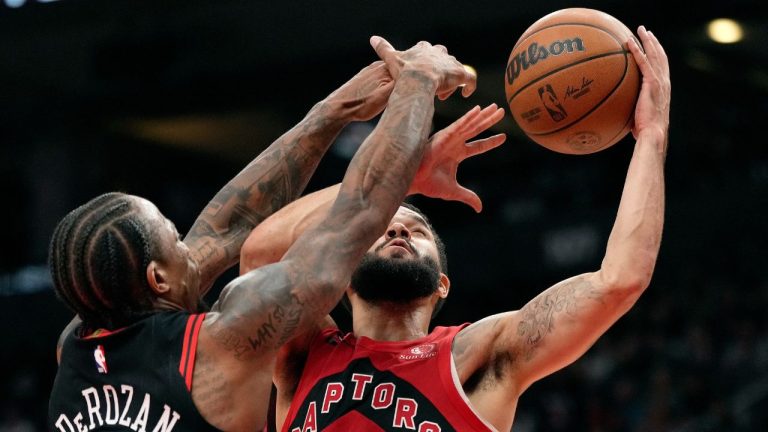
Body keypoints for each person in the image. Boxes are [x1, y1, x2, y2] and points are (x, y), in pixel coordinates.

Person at [240, 26, 670, 432]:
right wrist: (401, 181)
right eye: (383, 226)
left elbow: (619, 280)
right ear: (345, 275)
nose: (398, 231)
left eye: (418, 230)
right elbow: (260, 255)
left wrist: (651, 137)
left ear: (442, 284)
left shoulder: (476, 356)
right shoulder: (305, 353)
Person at [47, 36, 480, 432]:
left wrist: (335, 111)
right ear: (158, 280)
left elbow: (228, 225)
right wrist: (420, 79)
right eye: (176, 237)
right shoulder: (223, 344)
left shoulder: (78, 343)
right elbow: (361, 211)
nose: (189, 242)